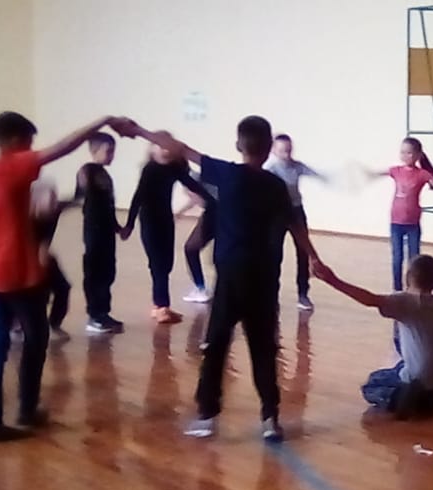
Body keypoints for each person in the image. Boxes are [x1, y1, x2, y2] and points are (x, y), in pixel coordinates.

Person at [110, 116, 319, 442]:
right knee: (264, 348)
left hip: (231, 279)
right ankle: (270, 418)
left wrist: (137, 131)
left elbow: (179, 148)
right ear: (268, 148)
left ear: (238, 145)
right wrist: (315, 258)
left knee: (217, 345)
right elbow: (295, 225)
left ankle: (207, 416)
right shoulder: (276, 185)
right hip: (264, 280)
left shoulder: (227, 174)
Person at [0, 110, 117, 444]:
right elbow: (64, 146)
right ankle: (26, 410)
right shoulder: (14, 165)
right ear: (14, 141)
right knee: (36, 337)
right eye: (28, 142)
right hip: (18, 271)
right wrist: (102, 121)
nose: (31, 148)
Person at [314, 255, 433, 417]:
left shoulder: (405, 301)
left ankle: (407, 399)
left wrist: (334, 281)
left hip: (422, 384)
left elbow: (370, 299)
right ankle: (421, 397)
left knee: (373, 384)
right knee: (401, 366)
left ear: (408, 278)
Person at [123, 137, 211, 324]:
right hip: (150, 220)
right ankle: (161, 306)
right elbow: (138, 197)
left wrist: (213, 200)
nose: (165, 149)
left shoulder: (173, 168)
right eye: (160, 146)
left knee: (167, 263)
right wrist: (129, 224)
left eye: (167, 146)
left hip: (165, 219)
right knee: (158, 264)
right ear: (152, 150)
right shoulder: (150, 169)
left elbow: (192, 184)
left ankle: (162, 306)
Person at [371, 137, 433, 291]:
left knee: (414, 258)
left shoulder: (422, 174)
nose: (405, 156)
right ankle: (397, 289)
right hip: (396, 222)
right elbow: (379, 173)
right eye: (403, 152)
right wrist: (367, 174)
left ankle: (413, 287)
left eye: (409, 153)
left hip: (413, 223)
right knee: (397, 257)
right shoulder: (396, 171)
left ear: (418, 155)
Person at [264, 133, 326, 311]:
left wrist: (331, 179)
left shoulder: (297, 166)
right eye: (283, 150)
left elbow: (316, 174)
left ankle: (303, 294)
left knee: (303, 252)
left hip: (296, 212)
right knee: (275, 255)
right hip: (277, 214)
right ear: (274, 150)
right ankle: (271, 296)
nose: (287, 154)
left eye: (289, 150)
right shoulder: (270, 169)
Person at [76, 133, 125, 334]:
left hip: (106, 232)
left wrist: (117, 227)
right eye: (108, 151)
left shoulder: (105, 175)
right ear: (94, 151)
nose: (112, 155)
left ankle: (103, 312)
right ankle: (94, 315)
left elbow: (108, 207)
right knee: (94, 272)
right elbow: (82, 195)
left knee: (108, 272)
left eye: (113, 151)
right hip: (94, 231)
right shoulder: (87, 170)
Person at [31, 178, 73, 339]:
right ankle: (18, 325)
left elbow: (71, 200)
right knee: (37, 294)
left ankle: (54, 324)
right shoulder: (25, 216)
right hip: (26, 259)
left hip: (45, 256)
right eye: (49, 197)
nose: (53, 201)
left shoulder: (54, 210)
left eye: (54, 196)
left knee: (63, 288)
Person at [180, 172, 218, 304]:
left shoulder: (191, 177)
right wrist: (181, 212)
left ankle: (201, 288)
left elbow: (201, 198)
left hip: (215, 213)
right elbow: (197, 198)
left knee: (191, 248)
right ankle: (209, 289)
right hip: (218, 212)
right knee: (218, 256)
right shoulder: (194, 176)